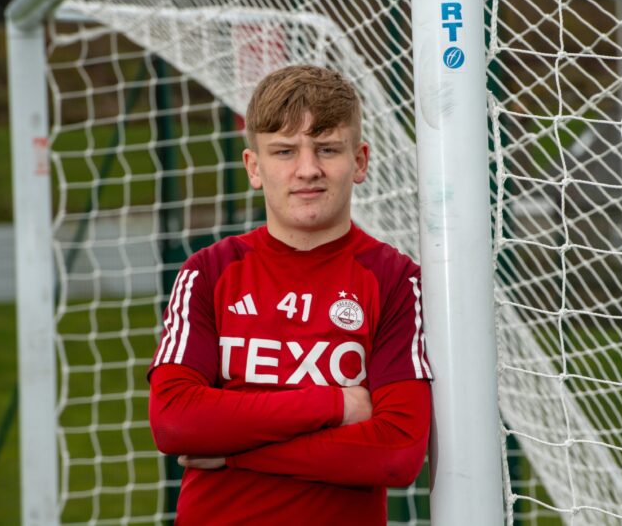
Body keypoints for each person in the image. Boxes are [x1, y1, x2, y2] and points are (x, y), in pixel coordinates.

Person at [147, 65, 432, 525]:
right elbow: (176, 421)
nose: (307, 169)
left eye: (327, 149)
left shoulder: (396, 280)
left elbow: (395, 452)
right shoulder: (208, 273)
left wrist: (234, 454)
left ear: (359, 161)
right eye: (284, 151)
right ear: (254, 167)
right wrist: (337, 404)